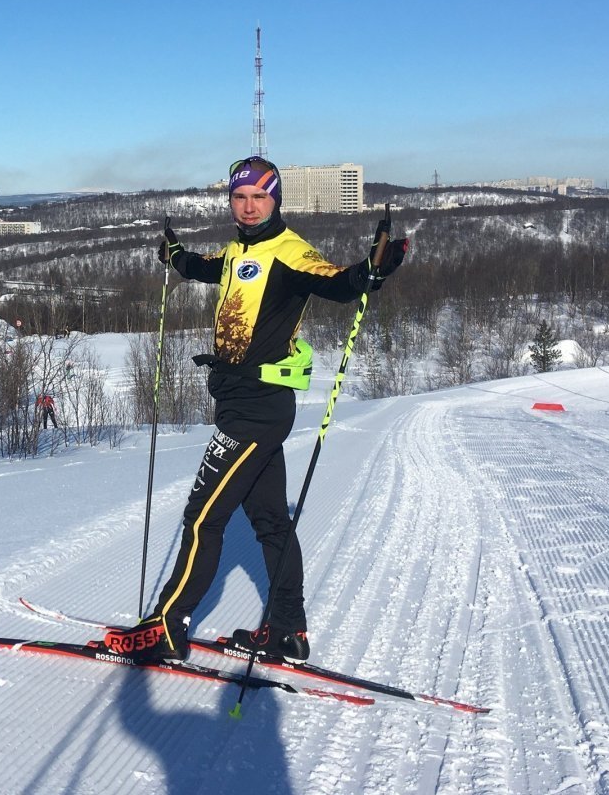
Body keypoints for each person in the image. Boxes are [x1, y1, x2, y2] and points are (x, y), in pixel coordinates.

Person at [104, 157, 407, 664]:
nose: (247, 208)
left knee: (202, 516)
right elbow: (206, 268)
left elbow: (337, 281)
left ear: (276, 200)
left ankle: (167, 626)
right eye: (239, 198)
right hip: (241, 401)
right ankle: (288, 631)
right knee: (269, 520)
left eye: (258, 198)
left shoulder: (290, 251)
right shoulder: (237, 250)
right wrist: (175, 255)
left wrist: (372, 270)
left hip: (257, 407)